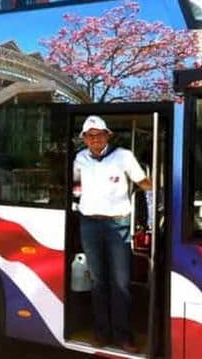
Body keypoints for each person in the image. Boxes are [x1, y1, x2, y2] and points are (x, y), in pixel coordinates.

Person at [72, 115, 151, 353]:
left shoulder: (123, 156)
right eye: (90, 135)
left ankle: (122, 335)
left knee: (120, 283)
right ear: (85, 139)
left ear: (108, 135)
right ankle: (101, 333)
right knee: (98, 281)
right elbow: (76, 189)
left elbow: (144, 182)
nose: (95, 139)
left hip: (118, 225)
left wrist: (161, 196)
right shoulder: (79, 159)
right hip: (89, 225)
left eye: (99, 134)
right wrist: (77, 206)